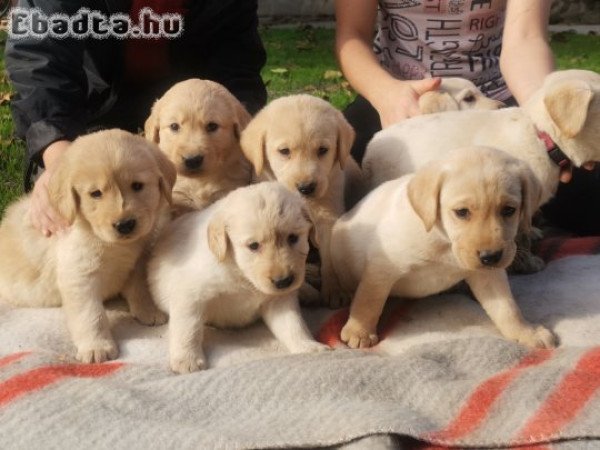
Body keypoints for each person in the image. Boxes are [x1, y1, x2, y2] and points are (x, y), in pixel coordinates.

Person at [335, 0, 600, 236]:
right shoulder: (390, 97)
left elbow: (526, 38)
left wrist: (544, 122)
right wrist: (386, 94)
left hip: (497, 104)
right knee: (336, 183)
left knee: (587, 199)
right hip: (397, 97)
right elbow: (352, 37)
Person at [6, 0, 267, 237]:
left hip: (191, 115)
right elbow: (39, 60)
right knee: (73, 219)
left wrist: (241, 147)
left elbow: (238, 72)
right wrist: (60, 161)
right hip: (91, 117)